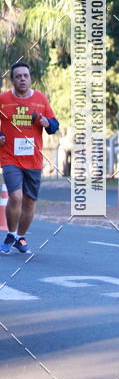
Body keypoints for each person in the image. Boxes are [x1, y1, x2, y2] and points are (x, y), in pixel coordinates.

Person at [0, 62, 59, 254]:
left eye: (25, 75)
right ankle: (10, 233)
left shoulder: (40, 99)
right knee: (15, 196)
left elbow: (54, 125)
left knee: (30, 201)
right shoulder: (3, 99)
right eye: (18, 76)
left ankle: (20, 237)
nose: (22, 79)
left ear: (30, 78)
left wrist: (47, 122)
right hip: (10, 157)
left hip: (33, 159)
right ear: (12, 80)